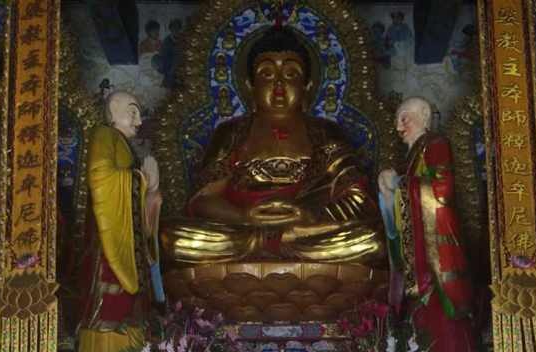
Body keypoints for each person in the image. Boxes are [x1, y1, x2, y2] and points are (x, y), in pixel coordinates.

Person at [161, 26, 385, 266]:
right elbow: (202, 200)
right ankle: (271, 252)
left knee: (372, 241)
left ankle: (277, 252)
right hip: (244, 235)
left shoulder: (325, 132)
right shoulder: (231, 132)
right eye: (267, 75)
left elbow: (359, 199)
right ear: (249, 85)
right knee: (171, 238)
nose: (279, 86)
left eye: (291, 75)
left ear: (307, 85)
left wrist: (308, 217)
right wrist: (244, 216)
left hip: (304, 235)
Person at [378, 96, 479, 352]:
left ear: (423, 117)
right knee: (417, 309)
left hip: (436, 245)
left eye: (405, 119)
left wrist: (399, 184)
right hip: (416, 251)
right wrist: (388, 193)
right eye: (397, 121)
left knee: (437, 306)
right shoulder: (412, 155)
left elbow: (442, 191)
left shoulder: (435, 144)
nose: (400, 128)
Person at [74, 91, 163, 352]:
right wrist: (140, 179)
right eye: (132, 111)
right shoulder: (105, 135)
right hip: (108, 237)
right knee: (111, 292)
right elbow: (100, 175)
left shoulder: (125, 146)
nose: (138, 119)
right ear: (113, 112)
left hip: (127, 237)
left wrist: (152, 191)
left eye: (139, 112)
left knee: (131, 302)